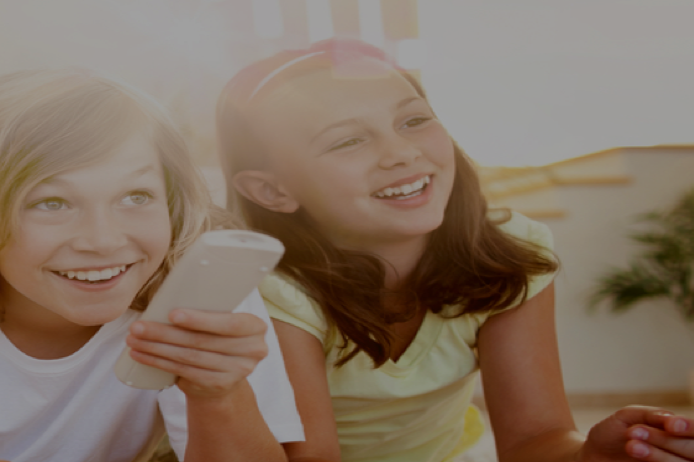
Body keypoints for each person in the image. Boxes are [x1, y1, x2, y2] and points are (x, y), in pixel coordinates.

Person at [215, 38, 694, 462]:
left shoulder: (509, 255)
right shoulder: (275, 292)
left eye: (413, 120)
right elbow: (312, 457)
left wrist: (588, 455)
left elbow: (535, 439)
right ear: (271, 191)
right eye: (348, 141)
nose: (402, 152)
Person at [0, 68, 305, 462]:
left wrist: (219, 395)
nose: (103, 241)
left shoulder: (200, 279)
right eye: (51, 202)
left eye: (136, 195)